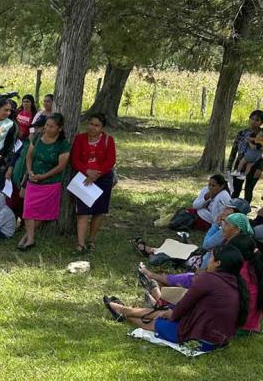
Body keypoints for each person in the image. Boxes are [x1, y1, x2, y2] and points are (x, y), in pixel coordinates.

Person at [104, 245, 248, 352]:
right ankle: (124, 310)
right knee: (165, 311)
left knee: (157, 322)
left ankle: (124, 313)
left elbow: (185, 304)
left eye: (211, 257)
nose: (208, 260)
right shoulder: (238, 282)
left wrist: (170, 315)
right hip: (220, 338)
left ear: (218, 263)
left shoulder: (209, 279)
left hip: (203, 340)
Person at [18, 113, 70, 251]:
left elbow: (61, 166)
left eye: (52, 127)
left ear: (59, 128)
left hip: (51, 182)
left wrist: (44, 176)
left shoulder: (63, 144)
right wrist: (30, 171)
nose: (47, 128)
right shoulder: (37, 138)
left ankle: (28, 236)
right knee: (28, 210)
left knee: (43, 213)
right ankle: (30, 238)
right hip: (33, 180)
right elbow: (29, 156)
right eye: (47, 125)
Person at [70, 112, 116, 254]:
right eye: (91, 124)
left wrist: (96, 174)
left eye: (97, 125)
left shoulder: (108, 140)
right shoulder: (80, 139)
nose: (93, 127)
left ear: (102, 128)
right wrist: (87, 171)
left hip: (103, 179)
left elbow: (111, 160)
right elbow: (75, 159)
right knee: (83, 212)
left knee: (98, 211)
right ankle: (80, 244)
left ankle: (91, 240)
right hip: (84, 178)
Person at [228, 110, 263, 202]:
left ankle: (245, 209)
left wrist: (261, 167)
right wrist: (229, 165)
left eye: (257, 120)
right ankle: (232, 209)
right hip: (241, 162)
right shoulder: (242, 133)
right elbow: (234, 149)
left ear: (261, 122)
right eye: (252, 119)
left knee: (248, 189)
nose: (254, 122)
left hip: (256, 164)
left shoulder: (262, 134)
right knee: (236, 189)